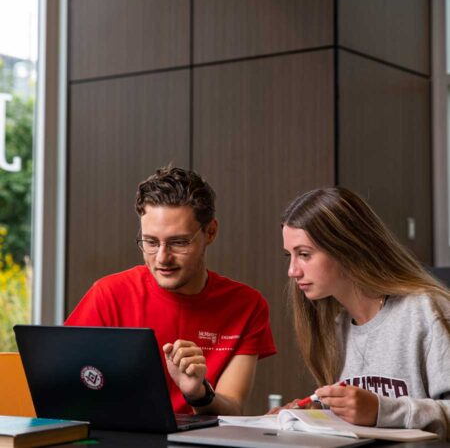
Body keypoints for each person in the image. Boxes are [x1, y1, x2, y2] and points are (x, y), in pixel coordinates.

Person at [65, 166, 276, 415]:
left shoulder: (246, 305)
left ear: (210, 232)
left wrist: (198, 393)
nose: (162, 258)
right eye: (151, 242)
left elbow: (233, 408)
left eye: (178, 242)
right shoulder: (108, 294)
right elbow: (65, 386)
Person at [279, 186, 450, 440]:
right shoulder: (337, 327)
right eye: (289, 256)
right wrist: (315, 413)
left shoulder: (425, 309)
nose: (293, 271)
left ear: (346, 247)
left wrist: (383, 410)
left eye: (304, 254)